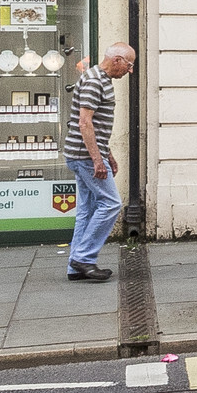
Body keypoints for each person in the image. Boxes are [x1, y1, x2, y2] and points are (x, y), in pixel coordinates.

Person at [63, 42, 136, 280]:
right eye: (129, 64)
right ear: (116, 60)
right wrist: (98, 160)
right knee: (110, 203)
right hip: (84, 156)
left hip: (83, 154)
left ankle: (76, 268)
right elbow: (85, 123)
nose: (130, 70)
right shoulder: (95, 81)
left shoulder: (99, 79)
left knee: (87, 209)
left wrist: (108, 154)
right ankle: (83, 257)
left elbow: (98, 126)